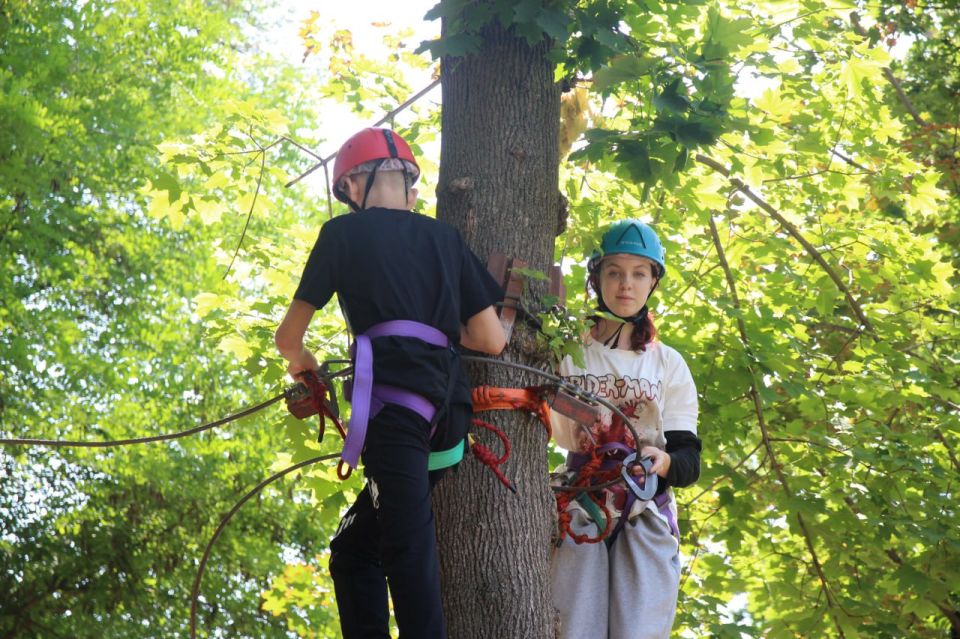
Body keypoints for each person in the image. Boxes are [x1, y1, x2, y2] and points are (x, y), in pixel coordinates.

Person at [274, 127, 506, 639]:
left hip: (395, 414)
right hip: (448, 417)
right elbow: (490, 340)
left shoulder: (342, 234)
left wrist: (306, 366)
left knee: (408, 549)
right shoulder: (445, 238)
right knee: (355, 550)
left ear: (354, 183)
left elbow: (289, 337)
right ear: (407, 184)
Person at [550, 219, 702, 639]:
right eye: (614, 272)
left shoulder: (666, 363)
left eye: (638, 273)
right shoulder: (567, 353)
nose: (625, 285)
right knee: (573, 629)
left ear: (653, 281)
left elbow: (689, 460)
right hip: (579, 505)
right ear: (596, 277)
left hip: (644, 506)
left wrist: (667, 460)